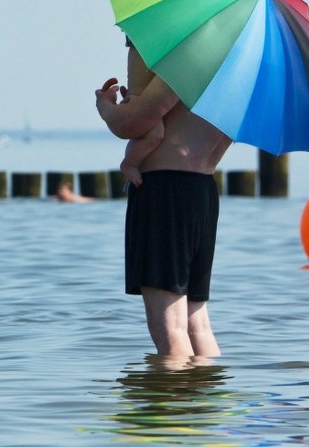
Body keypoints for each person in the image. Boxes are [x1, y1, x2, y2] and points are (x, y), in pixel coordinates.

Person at [96, 42, 232, 358]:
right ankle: (205, 404)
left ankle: (174, 403)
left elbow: (140, 124)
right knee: (196, 322)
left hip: (165, 190)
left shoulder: (184, 54)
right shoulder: (231, 63)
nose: (123, 32)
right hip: (203, 191)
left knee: (168, 326)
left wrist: (106, 107)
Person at [115, 38, 164, 187]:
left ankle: (130, 163)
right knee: (154, 133)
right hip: (141, 88)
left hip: (152, 54)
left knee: (154, 132)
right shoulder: (142, 42)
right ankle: (129, 163)